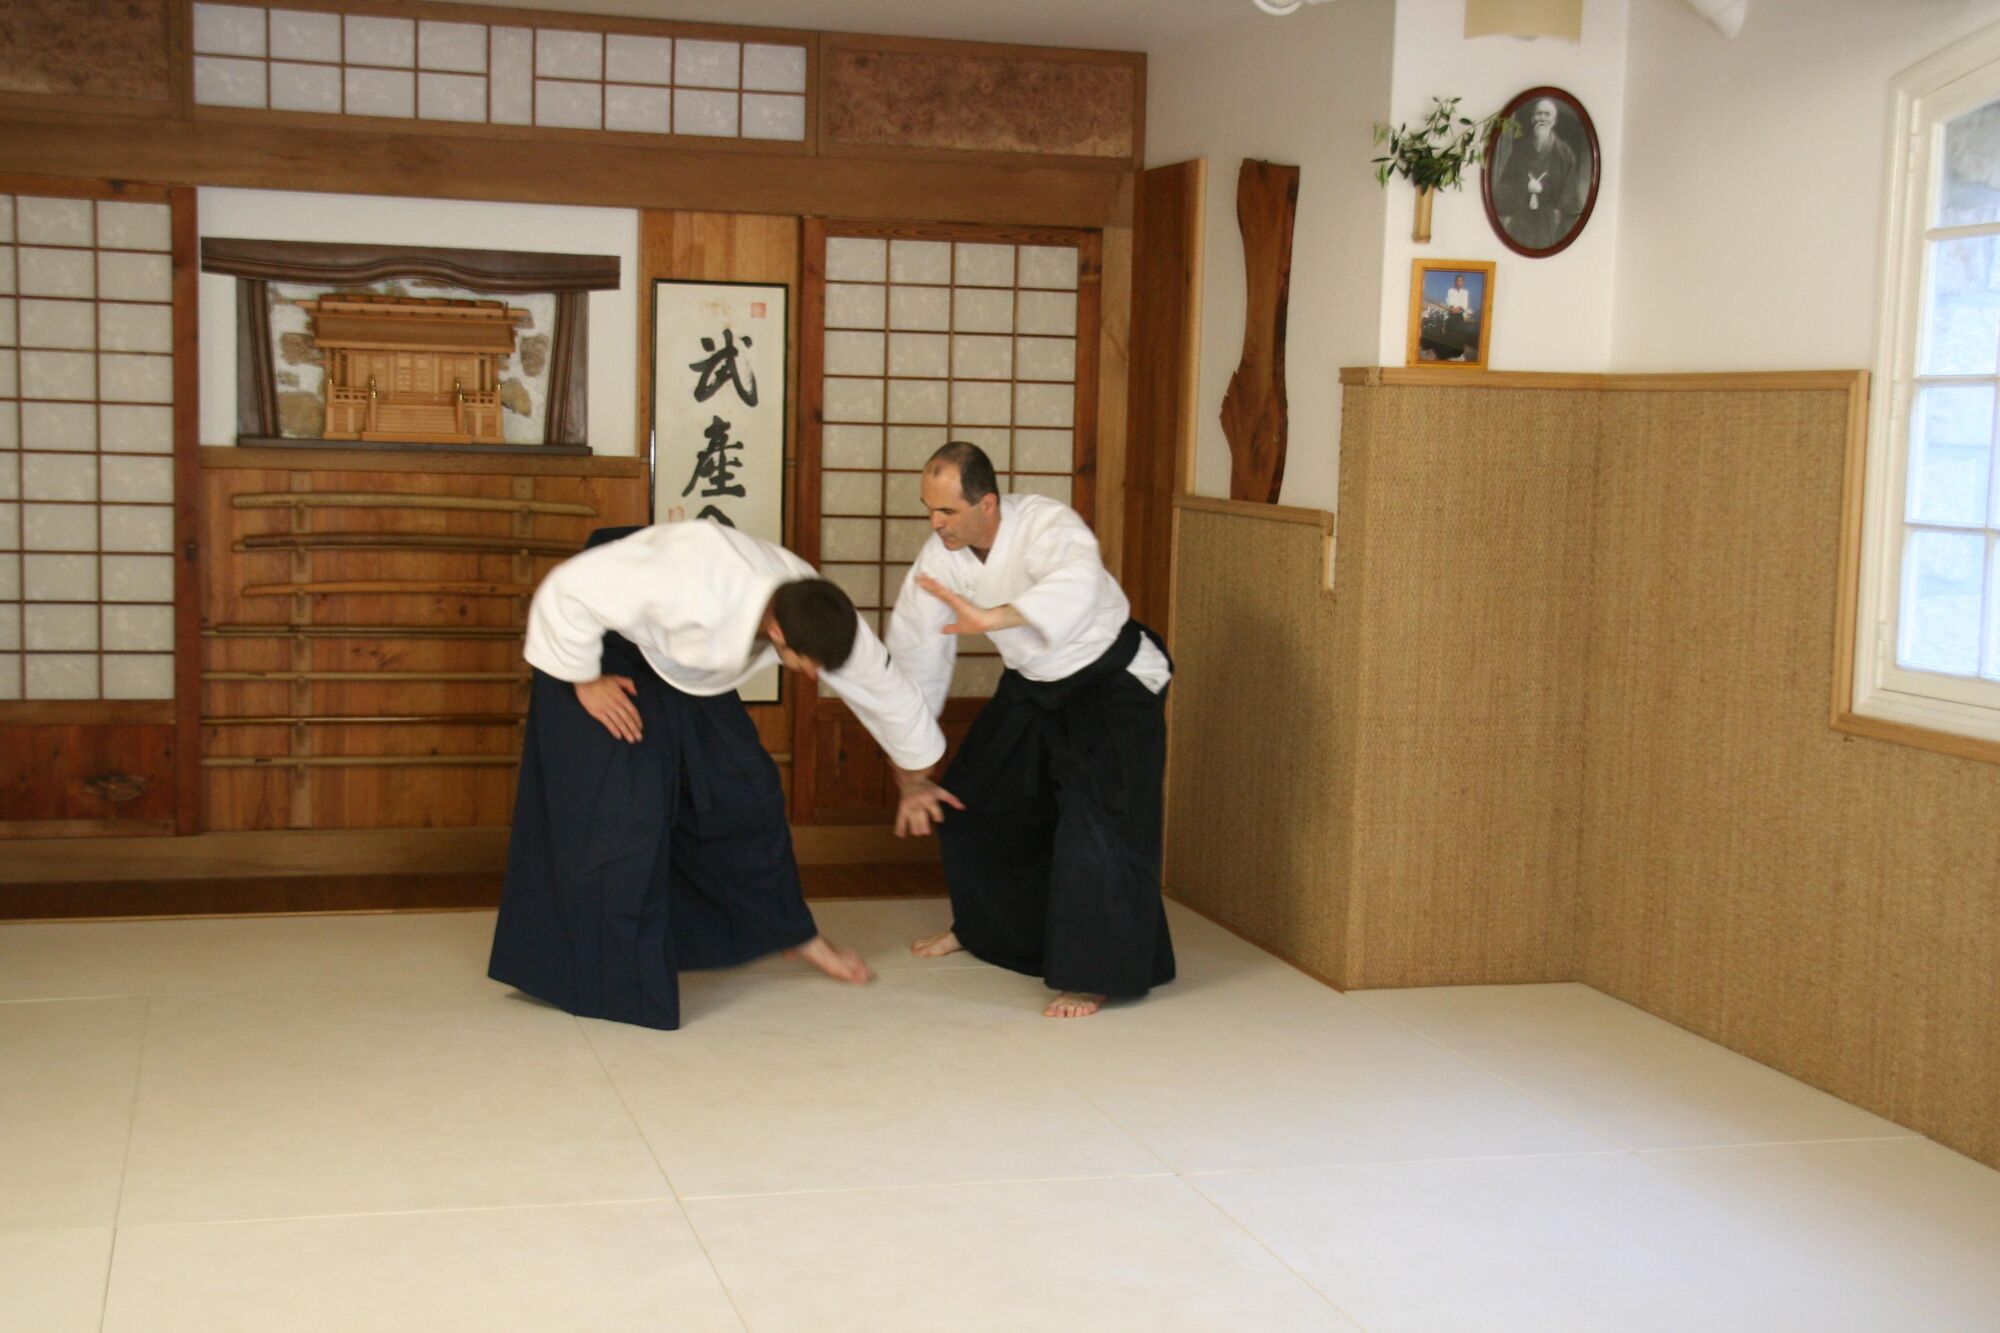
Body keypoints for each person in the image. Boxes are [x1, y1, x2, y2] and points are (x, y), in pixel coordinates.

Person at [489, 519, 946, 1031]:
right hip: (603, 639)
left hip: (682, 663)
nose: (814, 676)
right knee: (625, 810)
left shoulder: (814, 605)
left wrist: (913, 780)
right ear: (778, 632)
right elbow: (568, 589)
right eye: (806, 664)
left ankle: (792, 933)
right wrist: (584, 678)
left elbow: (884, 689)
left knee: (746, 790)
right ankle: (607, 979)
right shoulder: (690, 586)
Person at [889, 442, 1175, 1019]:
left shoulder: (1046, 523)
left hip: (1109, 683)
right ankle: (986, 930)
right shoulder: (940, 560)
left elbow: (1077, 582)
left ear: (988, 504)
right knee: (972, 799)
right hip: (1034, 685)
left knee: (1097, 824)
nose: (935, 523)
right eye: (929, 509)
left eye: (947, 511)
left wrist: (995, 616)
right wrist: (910, 771)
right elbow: (917, 654)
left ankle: (1091, 975)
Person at [1493, 97, 1579, 250]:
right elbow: (1506, 185)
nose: (1543, 118)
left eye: (1547, 114)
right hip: (1521, 219)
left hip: (1549, 223)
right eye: (1539, 114)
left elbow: (1570, 198)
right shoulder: (1520, 149)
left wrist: (1544, 192)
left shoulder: (1564, 154)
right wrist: (1524, 187)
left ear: (1554, 121)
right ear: (1533, 118)